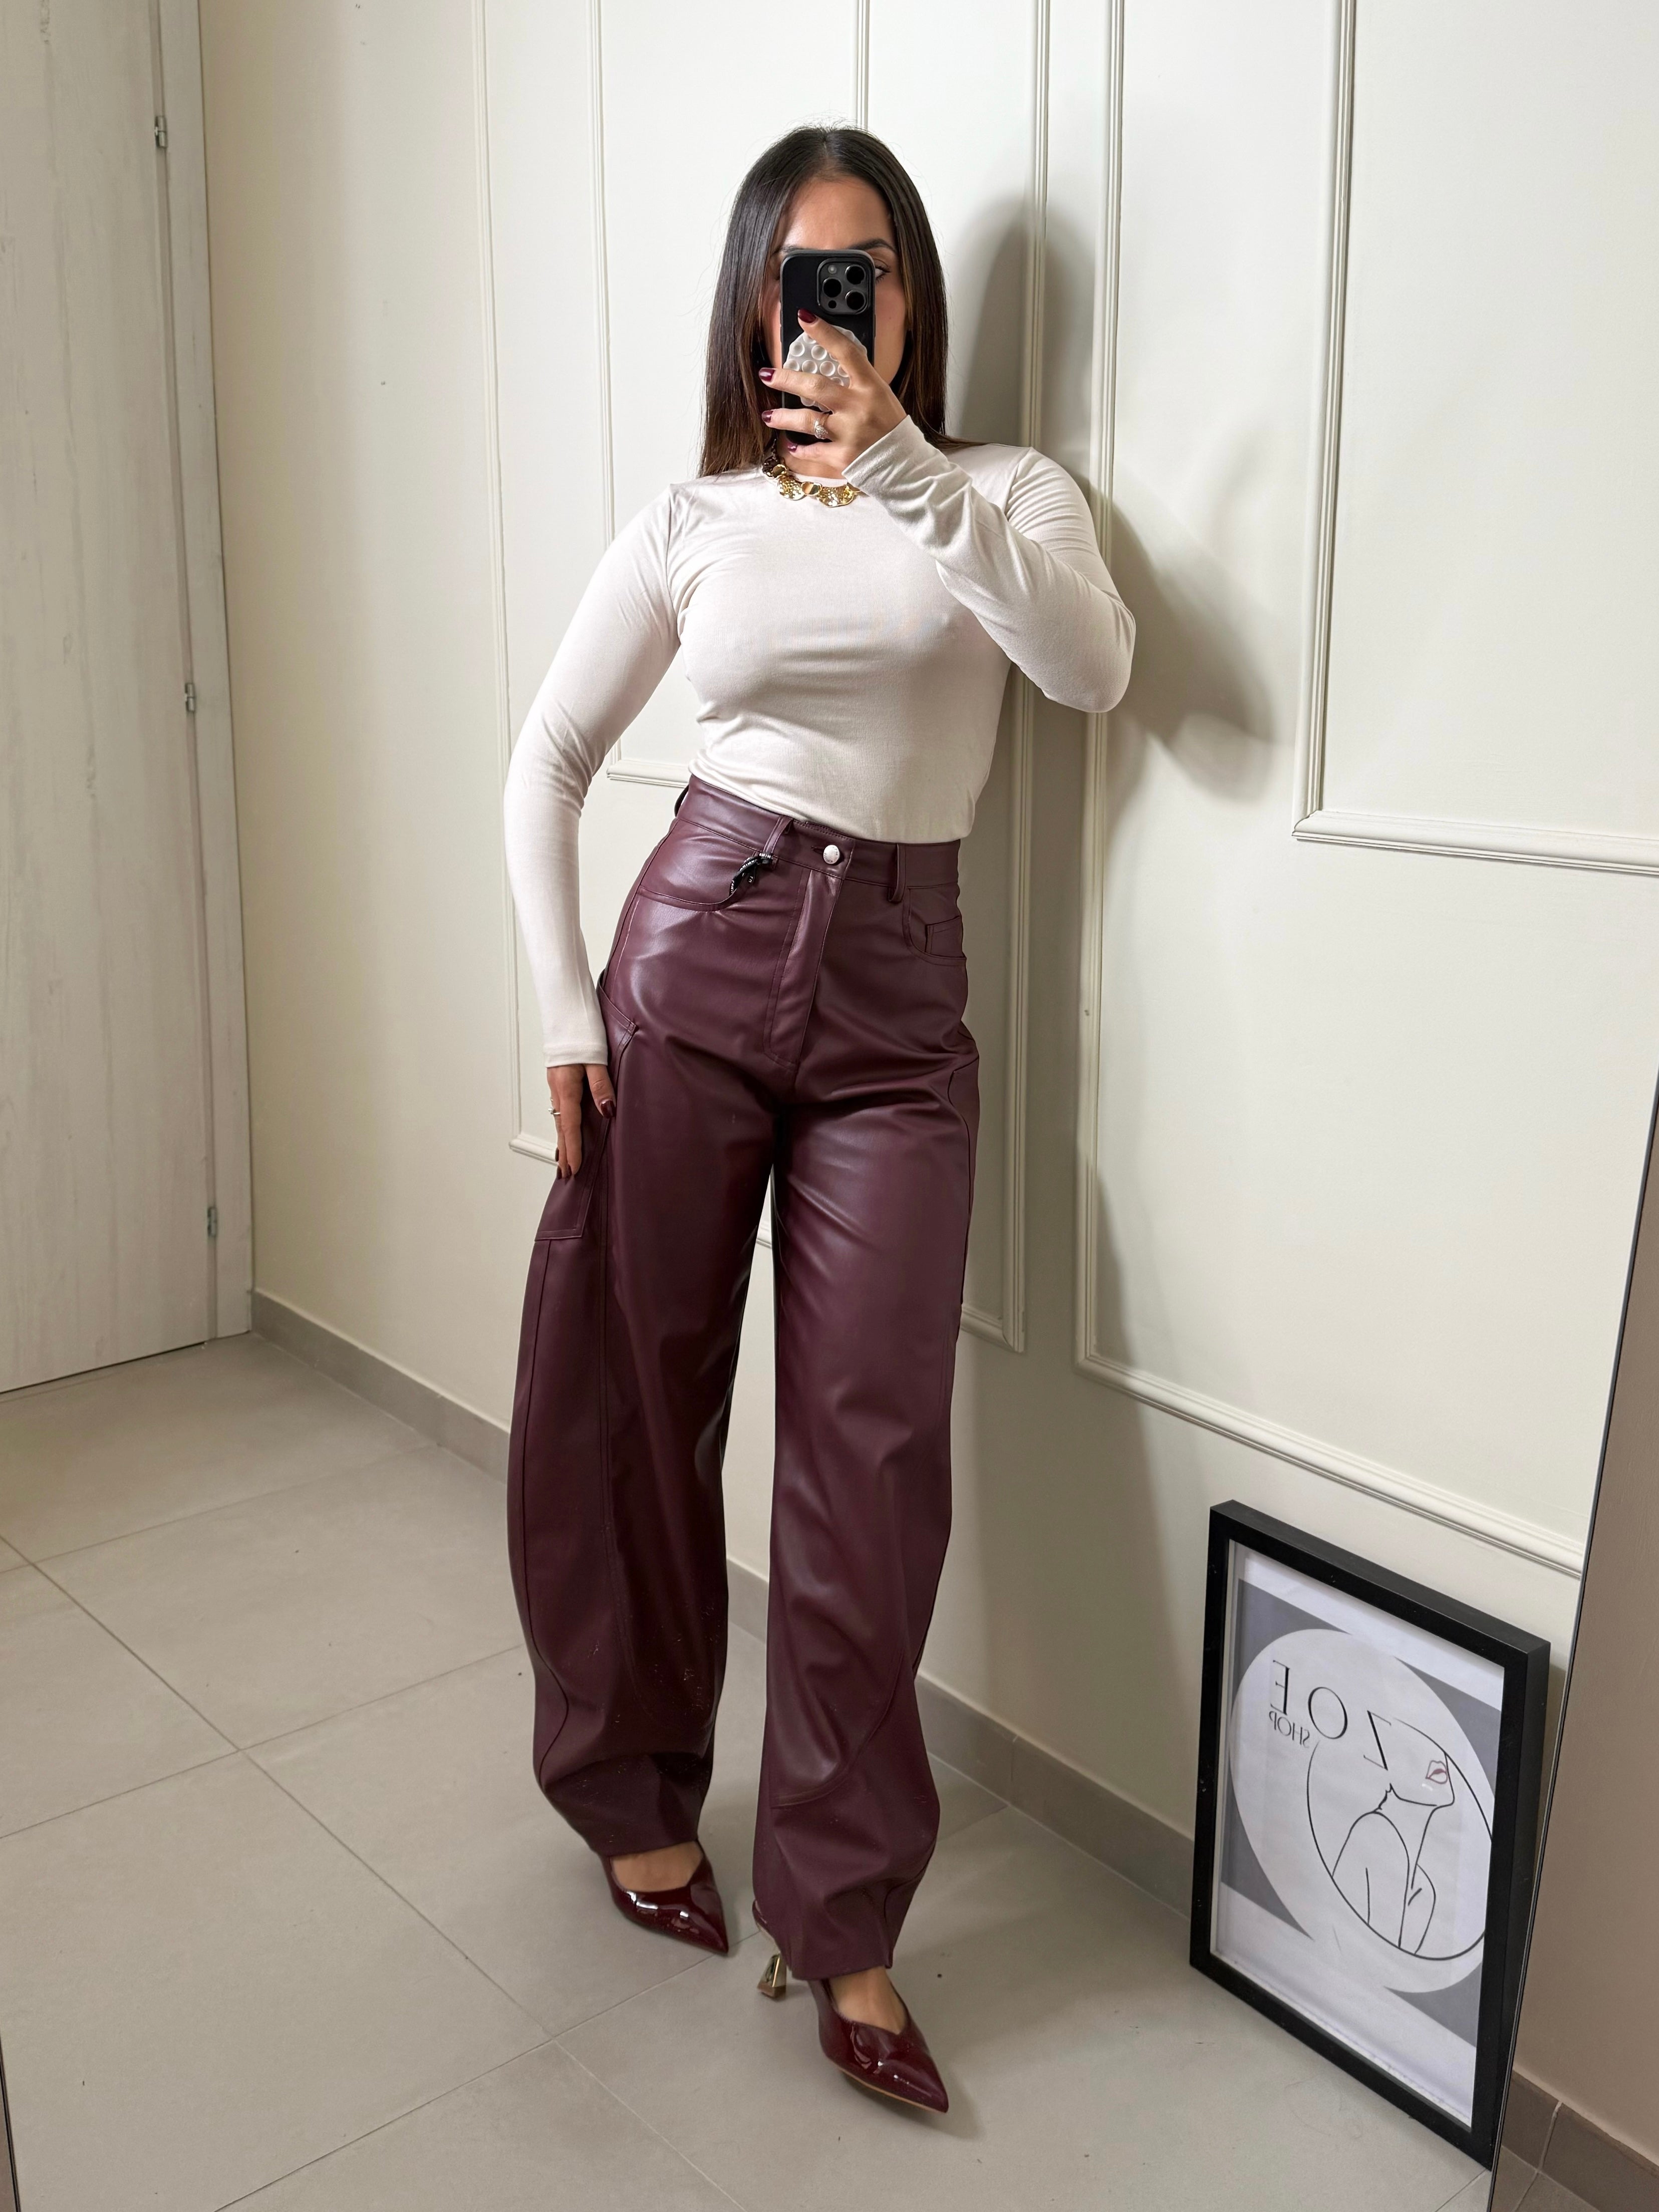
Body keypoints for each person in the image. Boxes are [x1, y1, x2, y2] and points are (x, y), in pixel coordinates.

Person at [502, 123, 1135, 2115]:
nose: (834, 312)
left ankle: (842, 1911)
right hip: (695, 954)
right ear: (754, 306)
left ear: (913, 296)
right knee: (634, 1396)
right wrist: (565, 1010)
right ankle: (631, 1793)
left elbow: (1094, 670)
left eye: (865, 273)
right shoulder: (694, 519)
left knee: (871, 1459)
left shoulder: (1004, 493)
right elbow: (547, 757)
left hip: (897, 1008)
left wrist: (902, 468)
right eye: (801, 279)